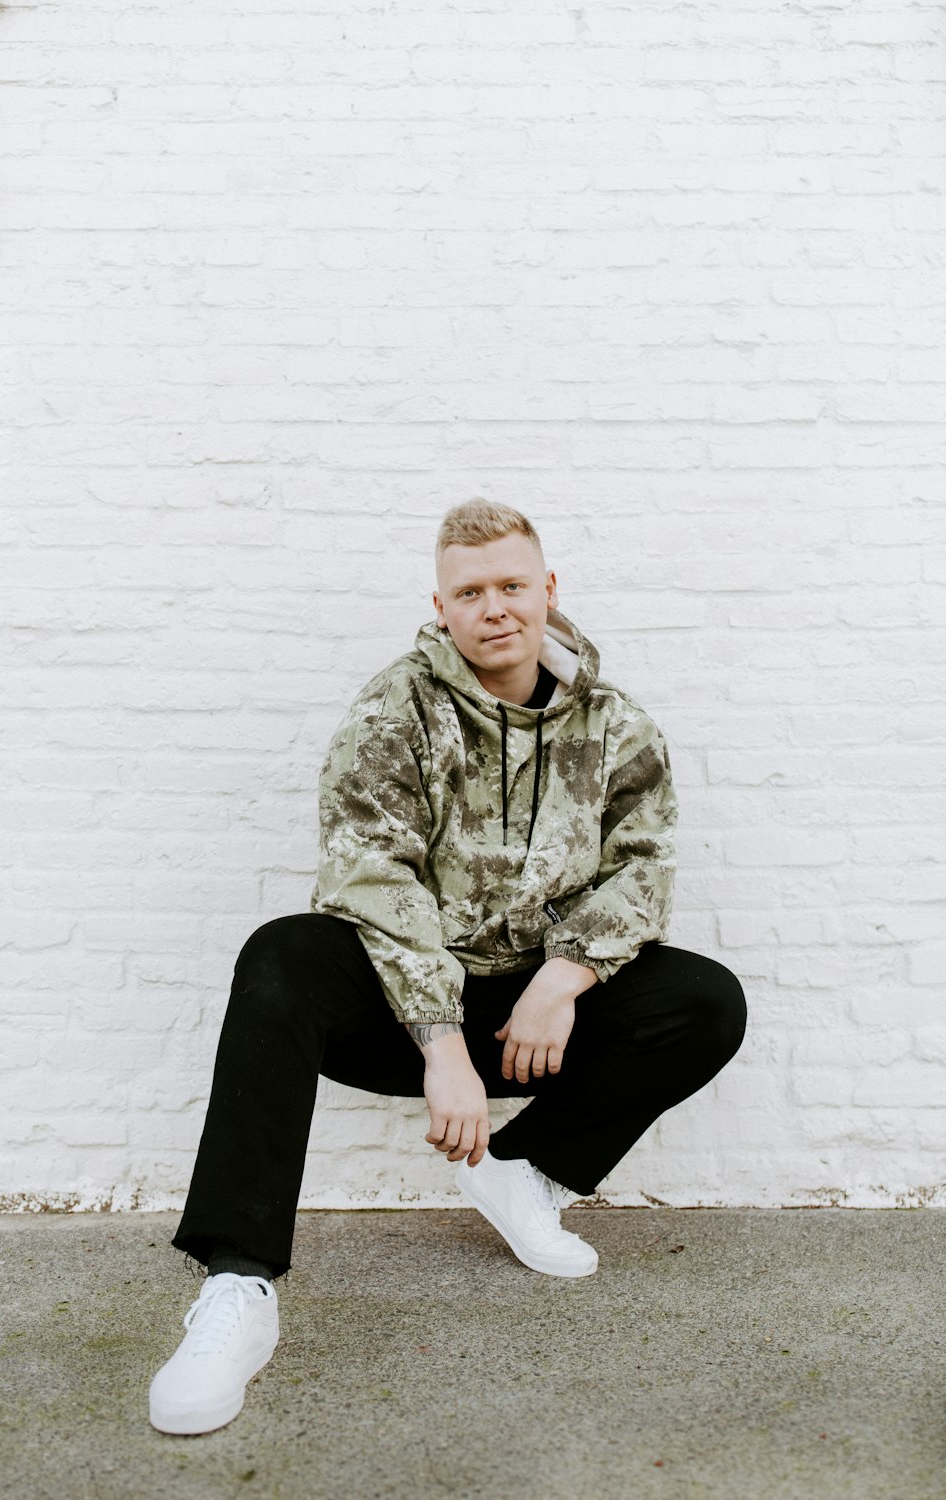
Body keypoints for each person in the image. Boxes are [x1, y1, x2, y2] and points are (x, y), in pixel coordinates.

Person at [148, 499, 746, 1436]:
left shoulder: (615, 726)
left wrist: (566, 975)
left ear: (548, 590)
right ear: (441, 604)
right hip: (410, 1007)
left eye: (513, 585)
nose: (495, 608)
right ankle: (238, 1288)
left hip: (533, 1016)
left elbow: (644, 868)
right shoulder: (394, 711)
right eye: (471, 592)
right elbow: (371, 879)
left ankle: (527, 1175)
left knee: (705, 1001)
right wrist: (439, 1042)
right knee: (280, 956)